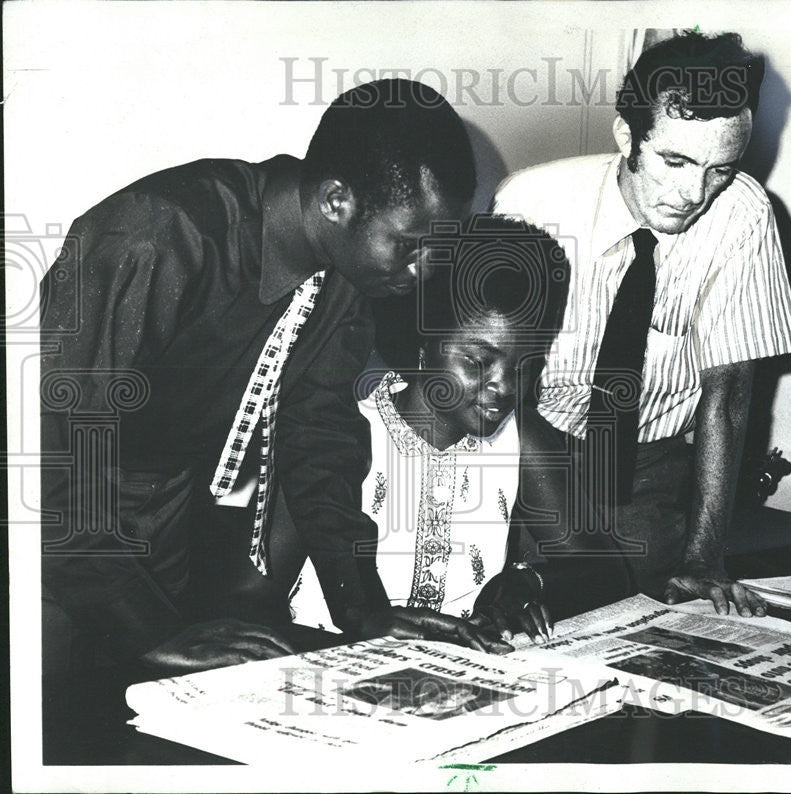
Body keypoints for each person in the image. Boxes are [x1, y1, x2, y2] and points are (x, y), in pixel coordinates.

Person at [39, 79, 480, 678]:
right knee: (55, 724)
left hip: (162, 520)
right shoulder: (157, 236)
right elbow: (53, 458)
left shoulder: (348, 278)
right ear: (335, 201)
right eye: (409, 244)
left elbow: (321, 444)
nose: (424, 268)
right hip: (50, 534)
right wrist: (150, 634)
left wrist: (364, 611)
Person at [492, 31, 791, 616]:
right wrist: (550, 536)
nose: (694, 193)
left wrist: (703, 560)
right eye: (675, 161)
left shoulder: (743, 214)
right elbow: (501, 380)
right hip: (529, 455)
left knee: (646, 631)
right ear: (626, 136)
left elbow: (729, 398)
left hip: (650, 475)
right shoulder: (531, 203)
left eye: (720, 168)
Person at [282, 215, 577, 649]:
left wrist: (527, 583)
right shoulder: (340, 433)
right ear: (423, 345)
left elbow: (603, 566)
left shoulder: (520, 438)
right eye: (478, 362)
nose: (505, 386)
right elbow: (249, 602)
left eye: (522, 365)